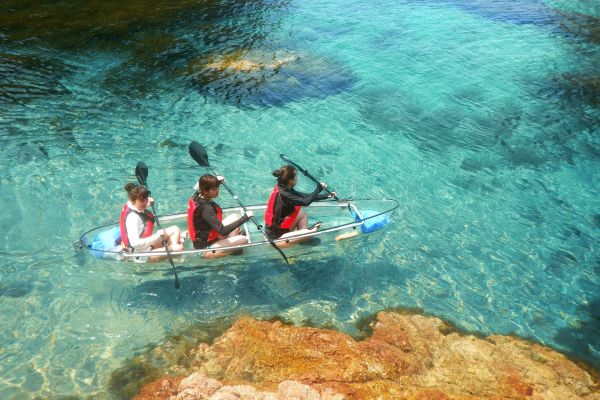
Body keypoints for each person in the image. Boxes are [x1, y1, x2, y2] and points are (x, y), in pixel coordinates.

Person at [264, 165, 336, 247]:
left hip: (279, 230)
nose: (297, 179)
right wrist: (318, 189)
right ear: (290, 180)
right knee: (312, 231)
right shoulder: (286, 195)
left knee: (302, 214)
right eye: (296, 177)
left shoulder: (283, 188)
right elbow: (306, 202)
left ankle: (303, 240)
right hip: (276, 239)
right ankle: (304, 236)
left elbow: (305, 196)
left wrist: (326, 196)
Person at [187, 174, 252, 258]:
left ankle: (231, 245)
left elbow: (199, 187)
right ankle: (232, 249)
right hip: (205, 249)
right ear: (205, 191)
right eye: (214, 189)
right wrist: (244, 218)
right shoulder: (206, 208)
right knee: (244, 240)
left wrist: (217, 181)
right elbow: (222, 231)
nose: (217, 191)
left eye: (217, 188)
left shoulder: (196, 197)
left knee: (235, 217)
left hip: (209, 239)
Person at [119, 183, 184, 262]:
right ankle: (172, 252)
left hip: (146, 247)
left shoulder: (130, 204)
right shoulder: (132, 218)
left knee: (175, 229)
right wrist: (156, 236)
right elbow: (135, 243)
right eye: (142, 201)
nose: (145, 203)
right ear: (133, 200)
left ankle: (170, 252)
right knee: (179, 248)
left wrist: (147, 200)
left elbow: (140, 204)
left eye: (146, 199)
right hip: (139, 255)